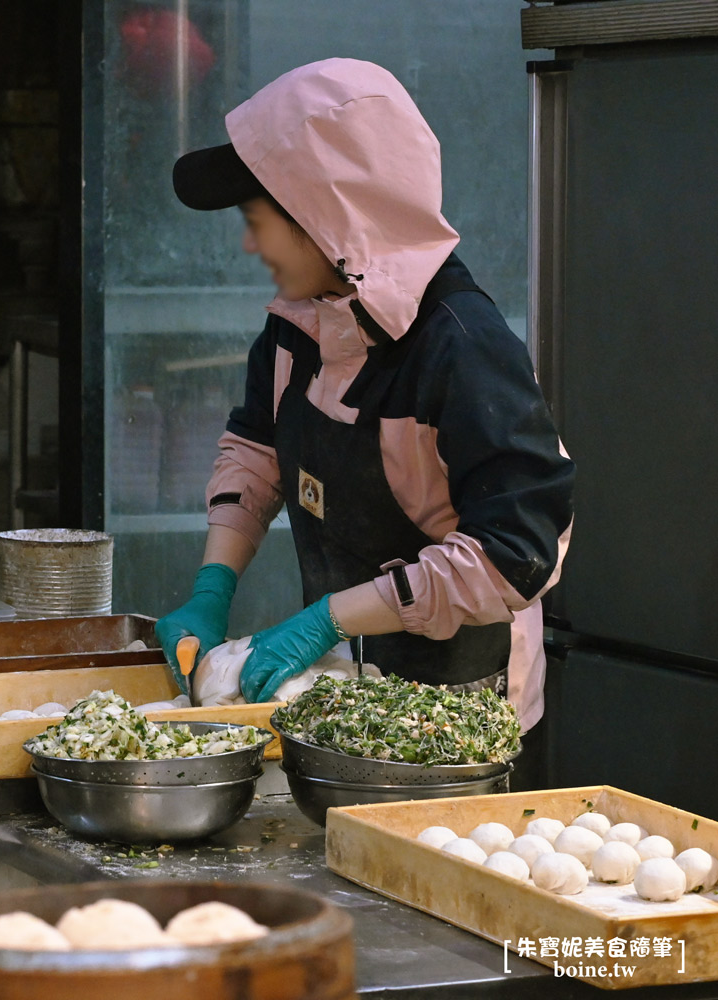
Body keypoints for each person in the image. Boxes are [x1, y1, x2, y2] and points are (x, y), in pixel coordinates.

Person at [155, 59, 574, 777]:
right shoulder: (300, 323)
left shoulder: (463, 349)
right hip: (341, 702)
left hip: (462, 726)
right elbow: (256, 448)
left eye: (258, 222)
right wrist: (212, 588)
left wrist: (328, 618)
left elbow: (519, 554)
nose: (250, 245)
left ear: (326, 219)